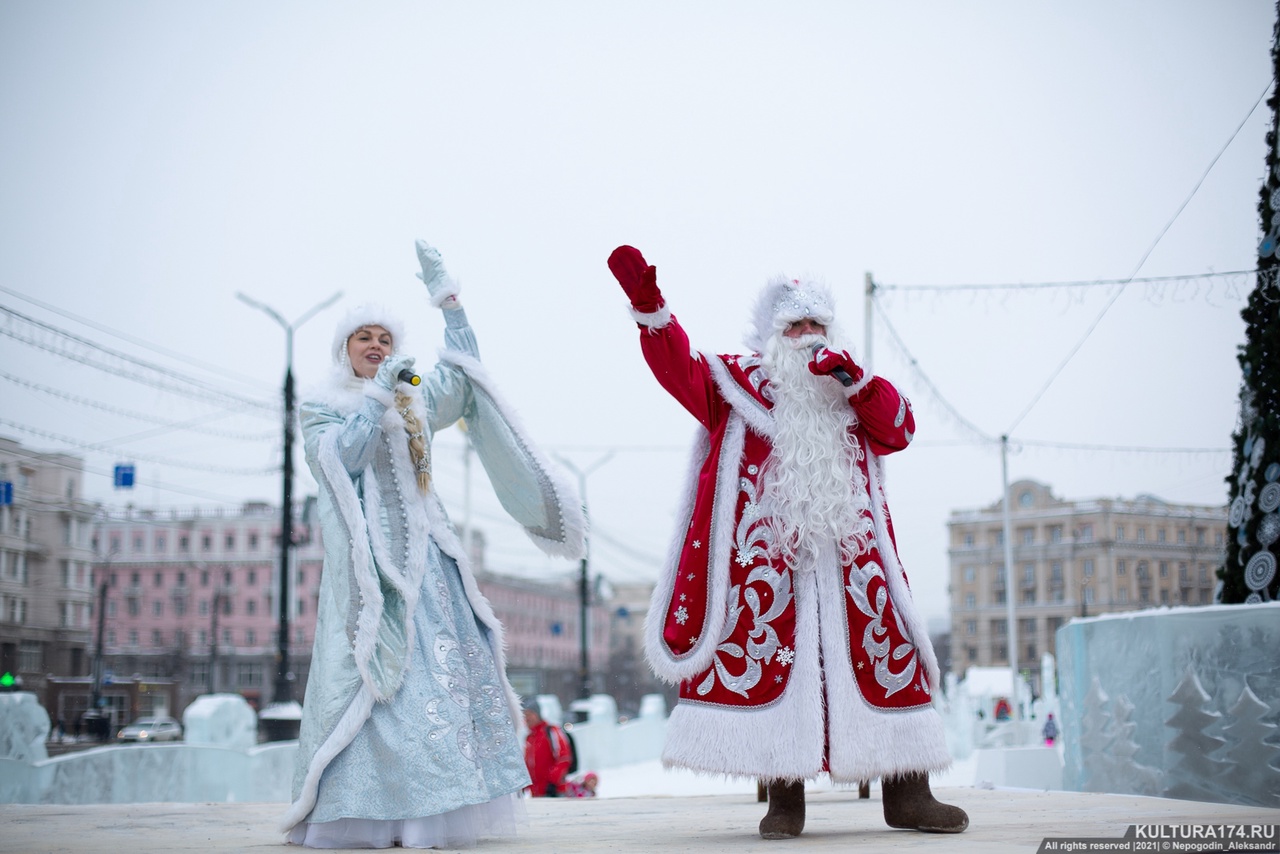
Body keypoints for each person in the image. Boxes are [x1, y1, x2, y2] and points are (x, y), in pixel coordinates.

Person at [606, 246, 969, 839]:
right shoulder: (732, 385)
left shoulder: (852, 386)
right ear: (771, 335)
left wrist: (856, 383)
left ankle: (909, 793)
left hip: (856, 563)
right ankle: (785, 799)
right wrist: (651, 311)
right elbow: (681, 372)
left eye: (815, 325)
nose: (806, 336)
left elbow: (899, 430)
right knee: (780, 663)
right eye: (793, 326)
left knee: (889, 654)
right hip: (772, 563)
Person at [280, 240, 586, 849]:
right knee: (379, 681)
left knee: (438, 683)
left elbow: (466, 371)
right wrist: (376, 398)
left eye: (385, 339)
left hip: (430, 564)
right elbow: (343, 459)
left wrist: (448, 302)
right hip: (372, 580)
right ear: (345, 350)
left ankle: (432, 813)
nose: (376, 347)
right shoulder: (322, 407)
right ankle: (368, 813)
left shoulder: (412, 397)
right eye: (364, 338)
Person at [522, 700, 573, 798]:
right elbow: (528, 765)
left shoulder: (551, 731)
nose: (527, 718)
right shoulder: (529, 738)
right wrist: (524, 785)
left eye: (530, 713)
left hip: (554, 792)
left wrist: (552, 782)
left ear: (538, 714)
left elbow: (564, 757)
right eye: (524, 715)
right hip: (536, 794)